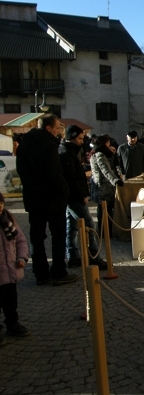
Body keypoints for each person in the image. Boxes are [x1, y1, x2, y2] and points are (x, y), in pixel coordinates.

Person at [16, 114, 78, 286]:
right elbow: (54, 174)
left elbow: (21, 170)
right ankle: (58, 271)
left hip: (33, 197)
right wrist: (64, 191)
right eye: (58, 127)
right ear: (48, 128)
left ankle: (40, 273)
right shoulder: (49, 145)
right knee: (58, 235)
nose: (60, 131)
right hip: (52, 198)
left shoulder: (24, 145)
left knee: (37, 236)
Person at [59, 125, 107, 270]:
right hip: (73, 196)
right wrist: (82, 195)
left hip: (72, 195)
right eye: (79, 138)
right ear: (72, 137)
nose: (81, 141)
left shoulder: (69, 151)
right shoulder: (66, 152)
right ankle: (93, 256)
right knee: (89, 224)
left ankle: (73, 256)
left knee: (72, 226)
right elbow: (72, 178)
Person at [0, 192, 30, 341]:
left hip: (10, 271)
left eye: (1, 203)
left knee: (11, 301)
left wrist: (21, 258)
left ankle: (12, 324)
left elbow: (21, 241)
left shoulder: (9, 220)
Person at [90, 135, 123, 237]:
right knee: (104, 210)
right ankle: (104, 232)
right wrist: (115, 181)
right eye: (108, 142)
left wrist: (114, 154)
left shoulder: (105, 154)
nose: (109, 144)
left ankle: (107, 231)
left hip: (107, 186)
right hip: (103, 187)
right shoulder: (100, 154)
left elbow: (116, 165)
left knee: (106, 209)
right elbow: (106, 170)